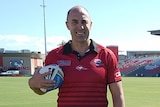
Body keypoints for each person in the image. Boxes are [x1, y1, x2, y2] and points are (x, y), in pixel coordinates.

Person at [28, 5, 125, 107]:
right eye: (75, 22)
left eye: (84, 22)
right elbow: (42, 90)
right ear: (67, 25)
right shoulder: (54, 56)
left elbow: (117, 95)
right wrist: (33, 84)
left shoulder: (106, 55)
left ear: (90, 24)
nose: (80, 27)